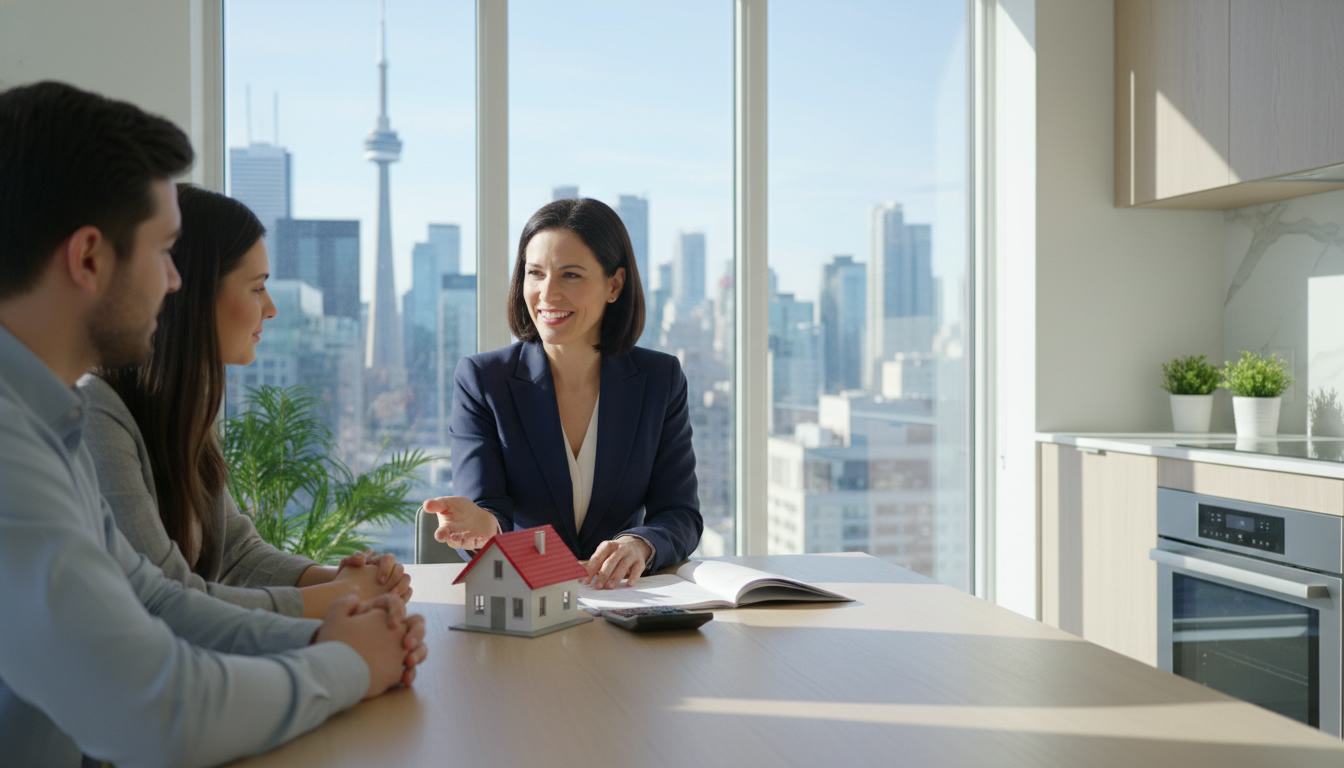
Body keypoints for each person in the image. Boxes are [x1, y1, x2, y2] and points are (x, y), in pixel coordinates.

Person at [0, 81, 426, 768]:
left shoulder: (53, 422)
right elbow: (159, 708)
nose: (174, 282)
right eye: (164, 251)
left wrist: (321, 641)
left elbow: (153, 598)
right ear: (88, 258)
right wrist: (345, 664)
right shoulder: (15, 447)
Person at [81, 184, 411, 619]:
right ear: (193, 294)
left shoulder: (183, 406)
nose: (270, 308)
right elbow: (164, 600)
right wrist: (338, 597)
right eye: (256, 288)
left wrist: (340, 578)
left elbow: (236, 553)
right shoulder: (94, 414)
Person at [423, 198, 703, 589]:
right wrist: (483, 527)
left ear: (614, 285)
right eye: (535, 273)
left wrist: (640, 544)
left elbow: (680, 513)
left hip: (624, 600)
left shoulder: (659, 379)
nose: (547, 293)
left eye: (570, 275)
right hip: (528, 601)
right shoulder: (483, 380)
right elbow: (487, 508)